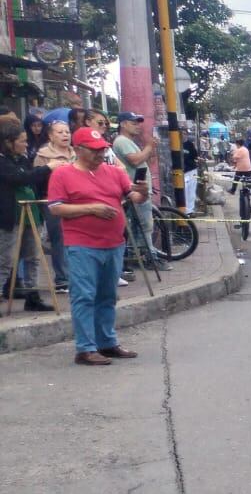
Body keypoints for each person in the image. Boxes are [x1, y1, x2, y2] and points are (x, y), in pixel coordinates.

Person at [48, 126, 146, 365]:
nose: (100, 154)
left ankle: (107, 342)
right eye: (94, 151)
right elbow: (56, 207)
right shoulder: (62, 174)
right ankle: (85, 347)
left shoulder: (114, 172)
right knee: (84, 295)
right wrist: (91, 208)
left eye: (102, 149)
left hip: (113, 243)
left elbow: (132, 196)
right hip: (82, 243)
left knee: (107, 295)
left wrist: (141, 193)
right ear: (78, 150)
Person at [0, 118, 54, 311]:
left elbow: (30, 177)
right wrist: (47, 168)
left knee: (33, 256)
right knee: (5, 259)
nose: (26, 144)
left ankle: (33, 296)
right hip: (10, 217)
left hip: (32, 213)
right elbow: (18, 177)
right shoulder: (3, 162)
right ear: (8, 142)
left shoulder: (22, 159)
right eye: (22, 141)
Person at [111, 112, 165, 270]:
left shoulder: (128, 141)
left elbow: (143, 159)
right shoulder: (121, 141)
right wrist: (149, 147)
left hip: (139, 188)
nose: (137, 125)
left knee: (139, 225)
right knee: (145, 225)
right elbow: (135, 160)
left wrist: (150, 149)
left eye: (138, 122)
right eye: (133, 122)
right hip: (134, 189)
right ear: (123, 124)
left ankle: (138, 256)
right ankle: (150, 258)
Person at [33, 118, 75, 290]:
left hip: (77, 200)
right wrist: (52, 169)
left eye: (67, 132)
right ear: (50, 136)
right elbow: (36, 179)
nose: (65, 135)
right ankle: (62, 278)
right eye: (60, 132)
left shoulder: (76, 153)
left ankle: (77, 275)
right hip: (53, 200)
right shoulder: (43, 156)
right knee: (60, 238)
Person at [230, 136, 251, 237]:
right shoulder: (245, 149)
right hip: (248, 168)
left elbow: (234, 158)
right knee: (249, 181)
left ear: (238, 143)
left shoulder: (239, 149)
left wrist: (233, 161)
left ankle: (232, 190)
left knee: (236, 179)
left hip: (241, 169)